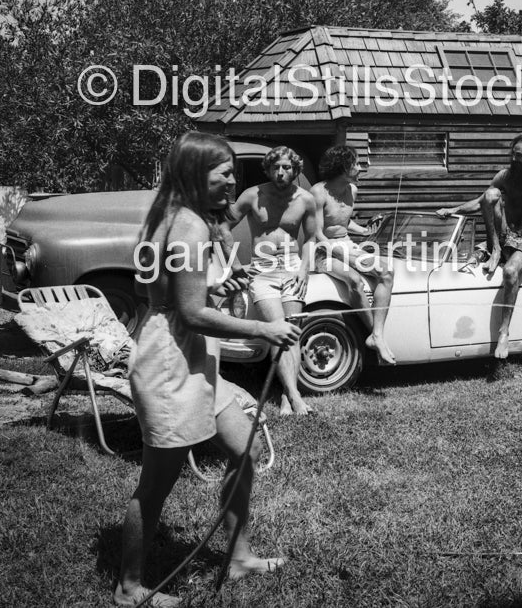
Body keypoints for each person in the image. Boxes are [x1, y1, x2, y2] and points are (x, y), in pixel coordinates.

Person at [115, 132, 299, 608]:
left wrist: (218, 288)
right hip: (171, 361)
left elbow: (170, 297)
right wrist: (264, 330)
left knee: (246, 448)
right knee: (155, 486)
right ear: (198, 174)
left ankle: (238, 558)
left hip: (188, 352)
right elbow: (190, 313)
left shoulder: (169, 215)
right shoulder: (190, 226)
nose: (233, 183)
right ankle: (129, 589)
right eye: (225, 174)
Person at [436, 133, 522, 359]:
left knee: (511, 272)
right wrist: (452, 209)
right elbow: (482, 200)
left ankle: (504, 332)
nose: (513, 159)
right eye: (512, 154)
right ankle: (495, 250)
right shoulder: (505, 177)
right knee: (491, 193)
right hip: (502, 236)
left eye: (519, 156)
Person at [226, 146, 317, 416]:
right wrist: (235, 266)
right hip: (263, 272)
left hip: (292, 270)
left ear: (295, 170)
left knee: (292, 333)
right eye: (275, 167)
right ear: (267, 169)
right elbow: (220, 228)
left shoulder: (305, 199)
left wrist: (304, 270)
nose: (280, 172)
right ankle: (295, 396)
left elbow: (312, 238)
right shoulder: (252, 195)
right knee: (279, 330)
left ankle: (289, 396)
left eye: (286, 167)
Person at [310, 146, 395, 365]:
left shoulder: (352, 190)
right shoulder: (318, 192)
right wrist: (339, 252)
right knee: (355, 280)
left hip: (346, 245)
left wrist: (365, 231)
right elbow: (317, 232)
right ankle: (376, 337)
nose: (360, 167)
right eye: (356, 163)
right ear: (342, 166)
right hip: (323, 251)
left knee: (386, 273)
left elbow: (344, 222)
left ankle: (377, 335)